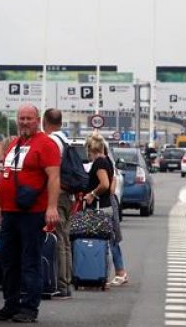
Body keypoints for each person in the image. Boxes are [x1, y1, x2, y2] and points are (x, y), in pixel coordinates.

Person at [0, 104, 61, 324]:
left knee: (30, 260)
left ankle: (30, 307)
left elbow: (54, 178)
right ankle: (11, 304)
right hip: (10, 212)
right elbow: (6, 175)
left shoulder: (46, 144)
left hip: (33, 212)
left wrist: (51, 207)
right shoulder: (14, 144)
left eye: (28, 118)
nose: (24, 122)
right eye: (21, 118)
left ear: (38, 119)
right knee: (8, 260)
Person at [84, 135, 128, 287]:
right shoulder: (107, 160)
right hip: (107, 204)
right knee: (111, 239)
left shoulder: (99, 163)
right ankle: (119, 272)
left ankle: (106, 273)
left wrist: (92, 194)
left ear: (91, 148)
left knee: (102, 241)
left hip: (100, 207)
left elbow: (104, 184)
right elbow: (112, 183)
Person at [44, 108, 74, 299]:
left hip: (59, 194)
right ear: (61, 122)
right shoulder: (65, 139)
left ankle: (62, 285)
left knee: (60, 240)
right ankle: (67, 281)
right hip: (67, 194)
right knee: (65, 239)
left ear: (44, 121)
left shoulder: (53, 141)